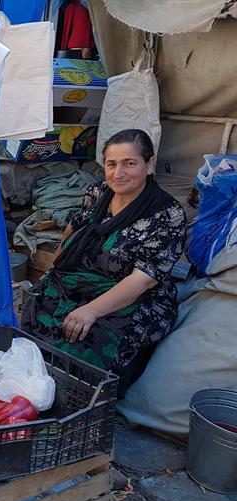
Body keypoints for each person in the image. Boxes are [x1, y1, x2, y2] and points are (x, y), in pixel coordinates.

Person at [21, 129, 187, 386]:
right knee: (36, 306)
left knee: (87, 335)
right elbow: (73, 230)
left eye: (129, 163)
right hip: (83, 283)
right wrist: (49, 274)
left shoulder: (166, 215)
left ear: (150, 164)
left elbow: (143, 280)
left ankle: (79, 402)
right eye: (112, 164)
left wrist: (90, 311)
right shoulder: (98, 193)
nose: (118, 173)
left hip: (136, 299)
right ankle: (29, 388)